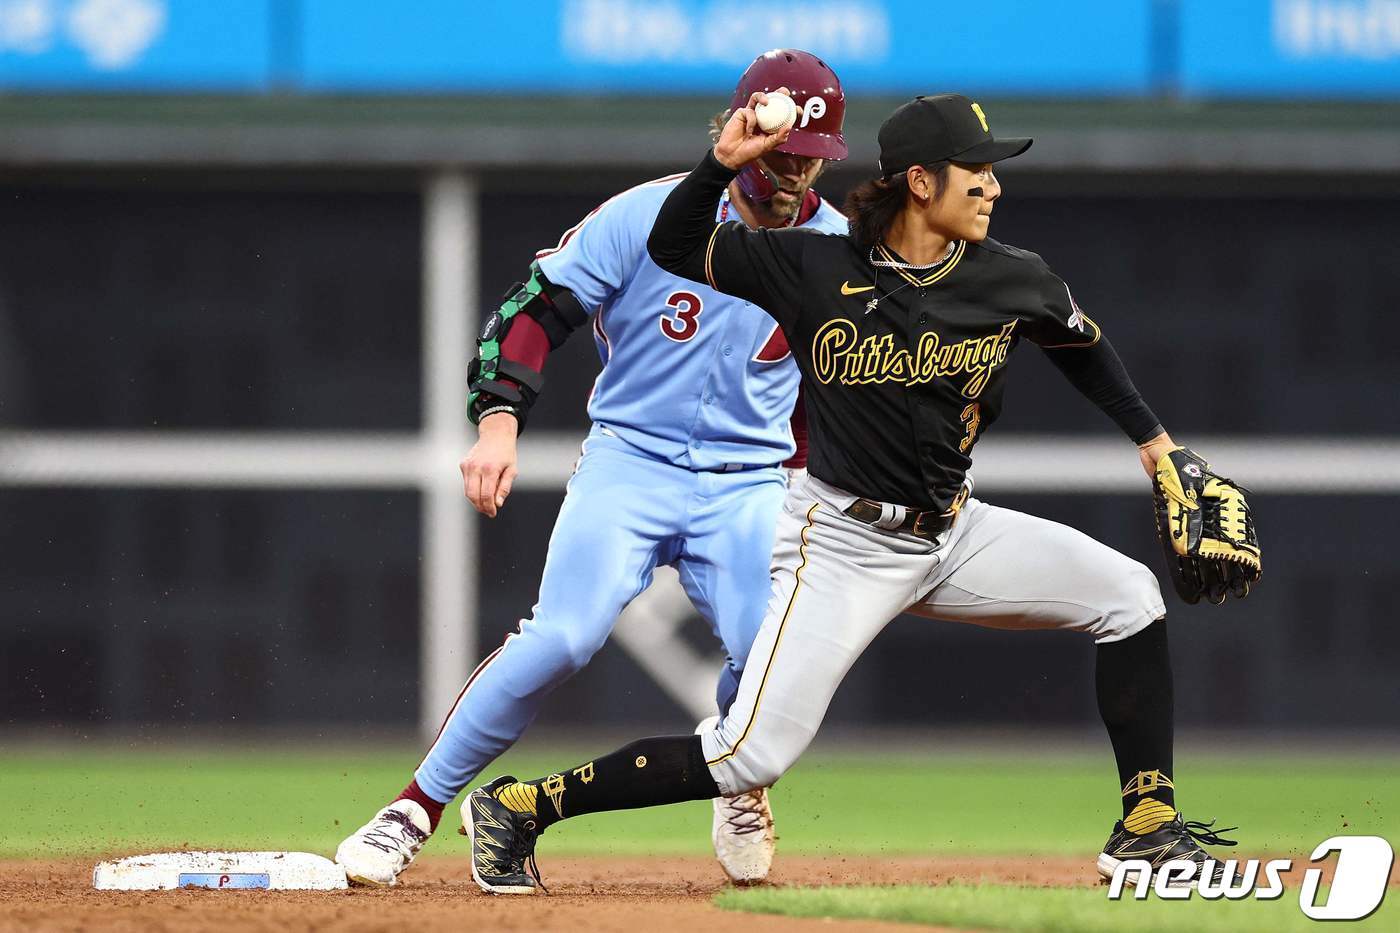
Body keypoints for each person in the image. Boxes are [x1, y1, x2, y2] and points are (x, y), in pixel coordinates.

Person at [460, 91, 1246, 895]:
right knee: (746, 755)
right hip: (840, 543)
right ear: (919, 181)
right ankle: (522, 805)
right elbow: (676, 241)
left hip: (955, 531)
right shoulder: (812, 264)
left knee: (1130, 596)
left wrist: (1158, 449)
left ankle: (1147, 827)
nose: (992, 186)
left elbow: (1080, 346)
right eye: (974, 170)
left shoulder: (1011, 278)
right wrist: (722, 163)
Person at [333, 50, 851, 887]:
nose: (793, 171)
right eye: (779, 150)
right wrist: (499, 423)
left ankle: (741, 781)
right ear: (737, 132)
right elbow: (534, 309)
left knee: (770, 662)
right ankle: (413, 808)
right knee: (563, 638)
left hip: (750, 481)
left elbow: (844, 384)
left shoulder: (839, 250)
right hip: (631, 462)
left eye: (810, 156)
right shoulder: (648, 214)